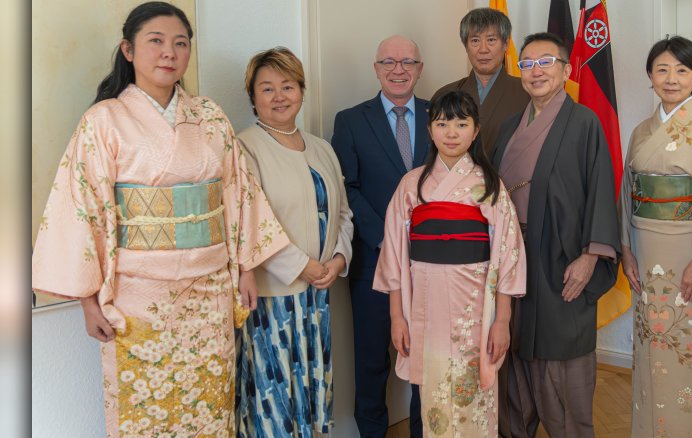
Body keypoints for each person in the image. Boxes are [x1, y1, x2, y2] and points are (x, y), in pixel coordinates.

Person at [31, 2, 290, 436]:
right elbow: (82, 208)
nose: (169, 52)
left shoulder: (209, 116)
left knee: (210, 401)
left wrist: (246, 267)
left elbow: (237, 191)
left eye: (180, 43)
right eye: (156, 41)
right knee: (144, 410)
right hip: (138, 297)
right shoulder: (104, 120)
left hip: (209, 292)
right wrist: (88, 300)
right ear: (128, 50)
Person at [373, 90, 527, 437]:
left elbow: (507, 257)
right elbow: (395, 257)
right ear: (430, 130)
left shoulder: (489, 185)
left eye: (461, 123)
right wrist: (397, 316)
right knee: (435, 395)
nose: (452, 132)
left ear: (475, 131)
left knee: (477, 395)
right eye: (443, 123)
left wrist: (502, 320)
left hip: (475, 307)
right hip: (425, 301)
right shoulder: (411, 185)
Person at [491, 32, 620, 438]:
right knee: (512, 354)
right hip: (514, 256)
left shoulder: (584, 122)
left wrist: (591, 256)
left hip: (562, 258)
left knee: (562, 360)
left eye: (545, 62)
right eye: (526, 64)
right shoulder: (512, 125)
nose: (535, 71)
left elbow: (602, 189)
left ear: (566, 70)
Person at [234, 47, 354, 437]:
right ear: (252, 97)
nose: (279, 96)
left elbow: (342, 215)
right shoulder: (244, 146)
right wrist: (302, 266)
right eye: (267, 89)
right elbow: (249, 220)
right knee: (276, 399)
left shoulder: (322, 147)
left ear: (301, 90)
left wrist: (337, 259)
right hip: (273, 298)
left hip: (317, 294)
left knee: (312, 394)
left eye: (287, 86)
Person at [618, 36, 692, 437]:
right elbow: (627, 193)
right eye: (662, 69)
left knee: (691, 343)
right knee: (651, 345)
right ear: (650, 76)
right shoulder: (640, 132)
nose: (671, 78)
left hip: (689, 250)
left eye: (682, 70)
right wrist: (626, 249)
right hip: (645, 249)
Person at [330, 35, 429, 437]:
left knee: (427, 356)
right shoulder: (351, 120)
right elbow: (345, 187)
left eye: (407, 62)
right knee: (372, 359)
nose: (398, 69)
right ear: (376, 69)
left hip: (431, 261)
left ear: (420, 68)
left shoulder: (439, 113)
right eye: (388, 62)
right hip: (374, 258)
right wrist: (385, 237)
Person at [430, 7, 530, 156]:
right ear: (466, 46)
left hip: (510, 178)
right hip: (457, 178)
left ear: (506, 44)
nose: (483, 49)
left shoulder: (526, 91)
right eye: (475, 40)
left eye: (491, 40)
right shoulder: (445, 94)